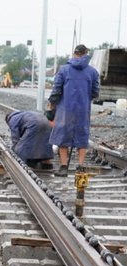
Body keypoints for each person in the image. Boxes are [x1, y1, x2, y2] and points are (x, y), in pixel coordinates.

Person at [48, 44, 99, 176]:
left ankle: (64, 167)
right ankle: (80, 167)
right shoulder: (93, 72)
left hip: (65, 109)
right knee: (82, 136)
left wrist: (52, 104)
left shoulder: (64, 70)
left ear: (74, 53)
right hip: (83, 109)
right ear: (85, 54)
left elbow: (57, 89)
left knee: (62, 136)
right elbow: (95, 92)